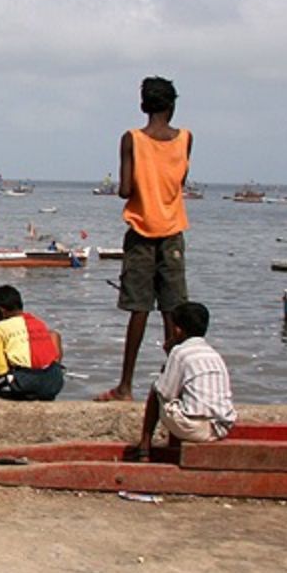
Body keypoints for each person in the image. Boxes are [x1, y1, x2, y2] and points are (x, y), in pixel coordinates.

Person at [99, 76, 192, 401]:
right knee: (172, 311)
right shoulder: (185, 139)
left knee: (139, 310)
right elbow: (179, 180)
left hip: (140, 233)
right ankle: (173, 386)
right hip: (172, 232)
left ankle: (126, 386)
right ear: (172, 106)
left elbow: (125, 189)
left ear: (143, 106)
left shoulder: (132, 139)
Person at [137, 300, 234, 459]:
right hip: (221, 428)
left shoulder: (179, 352)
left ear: (178, 330)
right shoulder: (214, 354)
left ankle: (144, 447)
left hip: (195, 429)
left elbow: (166, 392)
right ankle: (173, 448)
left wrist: (168, 360)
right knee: (181, 391)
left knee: (157, 389)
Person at [0, 285, 65, 401]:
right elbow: (55, 337)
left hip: (23, 383)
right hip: (54, 382)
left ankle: (1, 388)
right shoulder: (38, 322)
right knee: (53, 335)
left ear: (1, 310)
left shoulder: (0, 327)